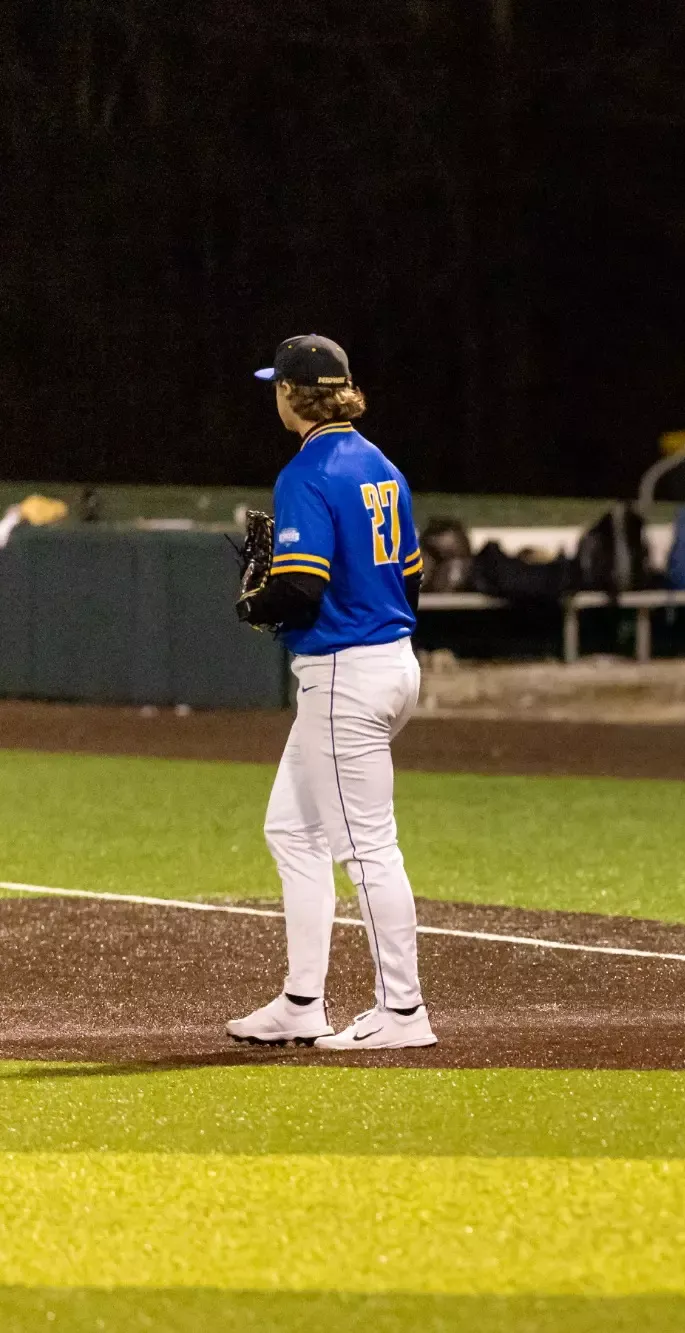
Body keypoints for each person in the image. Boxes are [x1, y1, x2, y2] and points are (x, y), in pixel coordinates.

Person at [225, 334, 436, 1050]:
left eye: (276, 386)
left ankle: (403, 1013)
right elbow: (411, 578)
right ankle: (301, 1001)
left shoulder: (306, 471)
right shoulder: (382, 466)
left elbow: (303, 587)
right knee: (292, 827)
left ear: (292, 393)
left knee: (368, 846)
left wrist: (259, 603)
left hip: (346, 673)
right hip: (390, 661)